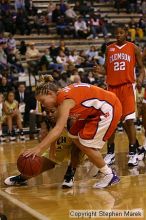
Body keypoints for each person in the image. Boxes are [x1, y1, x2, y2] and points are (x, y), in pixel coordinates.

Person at [22, 75, 122, 189]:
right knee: (73, 135)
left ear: (50, 93)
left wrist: (38, 148)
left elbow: (58, 128)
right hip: (94, 112)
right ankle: (92, 159)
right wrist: (52, 144)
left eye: (42, 101)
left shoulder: (64, 100)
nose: (43, 105)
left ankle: (109, 174)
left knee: (85, 143)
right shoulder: (61, 97)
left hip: (108, 108)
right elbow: (58, 127)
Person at [96, 24, 145, 166]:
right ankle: (110, 153)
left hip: (127, 86)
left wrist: (141, 78)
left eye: (121, 32)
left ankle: (133, 152)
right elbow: (107, 70)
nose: (118, 35)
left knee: (129, 121)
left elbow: (141, 68)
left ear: (126, 34)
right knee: (111, 121)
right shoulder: (109, 49)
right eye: (116, 33)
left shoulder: (133, 48)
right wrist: (100, 71)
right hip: (111, 88)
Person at [4, 107, 84, 188]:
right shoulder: (49, 120)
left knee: (76, 150)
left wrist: (71, 169)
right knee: (43, 162)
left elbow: (78, 145)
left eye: (52, 111)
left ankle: (70, 174)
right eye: (47, 112)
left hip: (82, 143)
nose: (50, 114)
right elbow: (47, 137)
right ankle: (22, 177)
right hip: (64, 139)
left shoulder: (72, 120)